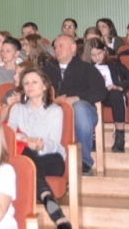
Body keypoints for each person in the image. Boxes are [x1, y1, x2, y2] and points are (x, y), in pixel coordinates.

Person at [6, 68, 70, 229]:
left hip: (52, 158)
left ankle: (45, 195)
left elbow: (54, 142)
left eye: (34, 82)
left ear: (45, 86)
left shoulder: (55, 110)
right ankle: (50, 202)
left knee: (28, 161)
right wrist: (26, 139)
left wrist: (41, 146)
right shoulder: (17, 108)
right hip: (26, 156)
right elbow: (9, 133)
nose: (30, 86)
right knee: (27, 155)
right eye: (26, 83)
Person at [44, 35, 106, 176]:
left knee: (79, 108)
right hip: (55, 111)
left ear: (73, 48)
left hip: (84, 112)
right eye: (55, 47)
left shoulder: (87, 68)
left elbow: (100, 91)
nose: (56, 49)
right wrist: (53, 100)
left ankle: (84, 161)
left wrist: (75, 99)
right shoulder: (48, 69)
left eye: (61, 46)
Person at [83, 38, 129, 153]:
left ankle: (120, 136)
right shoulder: (85, 67)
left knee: (116, 95)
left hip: (110, 94)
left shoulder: (114, 63)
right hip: (93, 94)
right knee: (84, 101)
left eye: (99, 53)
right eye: (93, 55)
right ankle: (90, 137)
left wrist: (120, 86)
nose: (97, 57)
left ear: (105, 50)